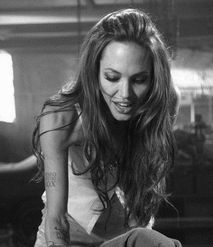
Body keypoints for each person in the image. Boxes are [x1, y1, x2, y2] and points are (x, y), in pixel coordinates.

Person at [32, 8, 181, 247]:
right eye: (112, 77)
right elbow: (55, 217)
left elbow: (146, 184)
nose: (125, 95)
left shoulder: (163, 104)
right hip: (66, 238)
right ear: (94, 72)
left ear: (154, 79)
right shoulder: (62, 118)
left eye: (139, 80)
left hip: (125, 236)